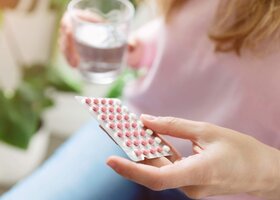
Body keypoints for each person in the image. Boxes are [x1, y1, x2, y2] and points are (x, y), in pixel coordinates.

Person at [2, 0, 280, 199]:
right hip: (138, 131)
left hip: (245, 187)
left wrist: (264, 171)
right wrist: (132, 47)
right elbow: (200, 24)